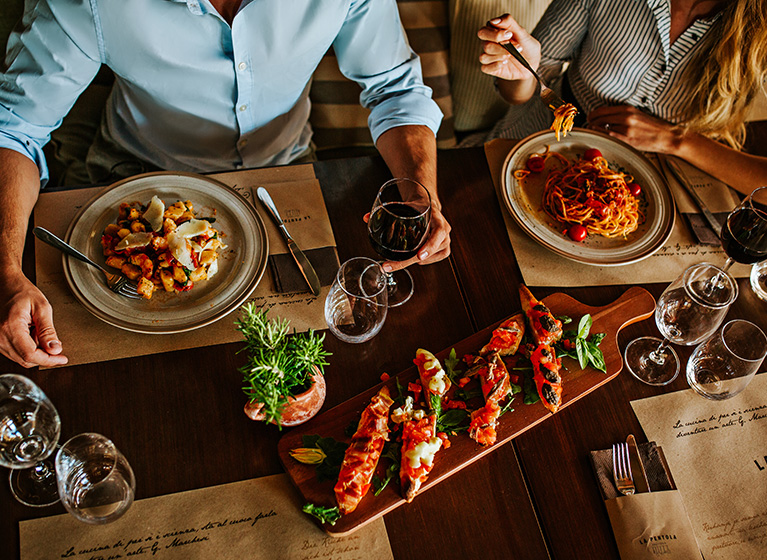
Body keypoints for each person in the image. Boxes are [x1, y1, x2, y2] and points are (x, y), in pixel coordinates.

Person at [0, 0, 452, 368]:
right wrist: (4, 273)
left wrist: (419, 194)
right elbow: (13, 128)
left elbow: (395, 89)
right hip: (133, 175)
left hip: (285, 174)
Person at [477, 1, 767, 204]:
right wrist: (522, 74)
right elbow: (527, 89)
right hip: (534, 145)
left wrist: (677, 140)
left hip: (660, 191)